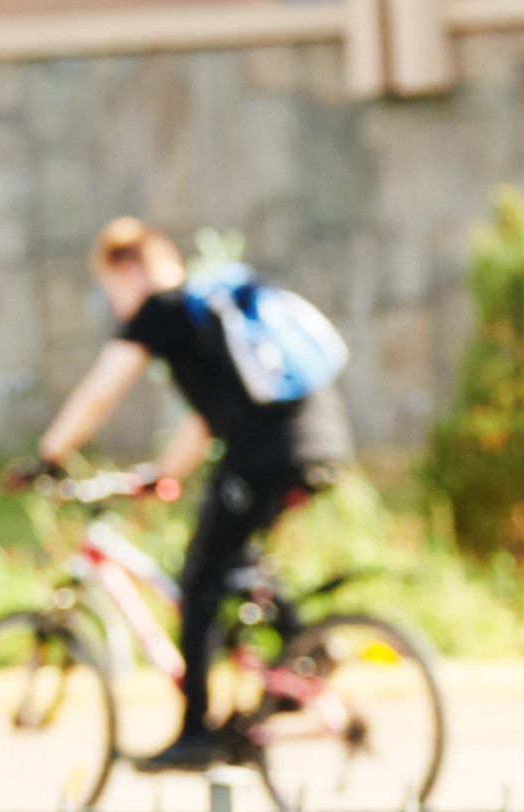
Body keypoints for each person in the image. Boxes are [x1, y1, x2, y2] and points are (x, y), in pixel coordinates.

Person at [21, 220, 354, 774]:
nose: (118, 303)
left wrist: (48, 455)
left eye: (111, 288)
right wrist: (165, 472)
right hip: (319, 440)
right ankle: (304, 650)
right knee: (235, 561)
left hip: (265, 452)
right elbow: (212, 412)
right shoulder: (211, 311)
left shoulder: (164, 311)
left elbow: (101, 394)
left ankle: (197, 731)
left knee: (198, 578)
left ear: (129, 269)